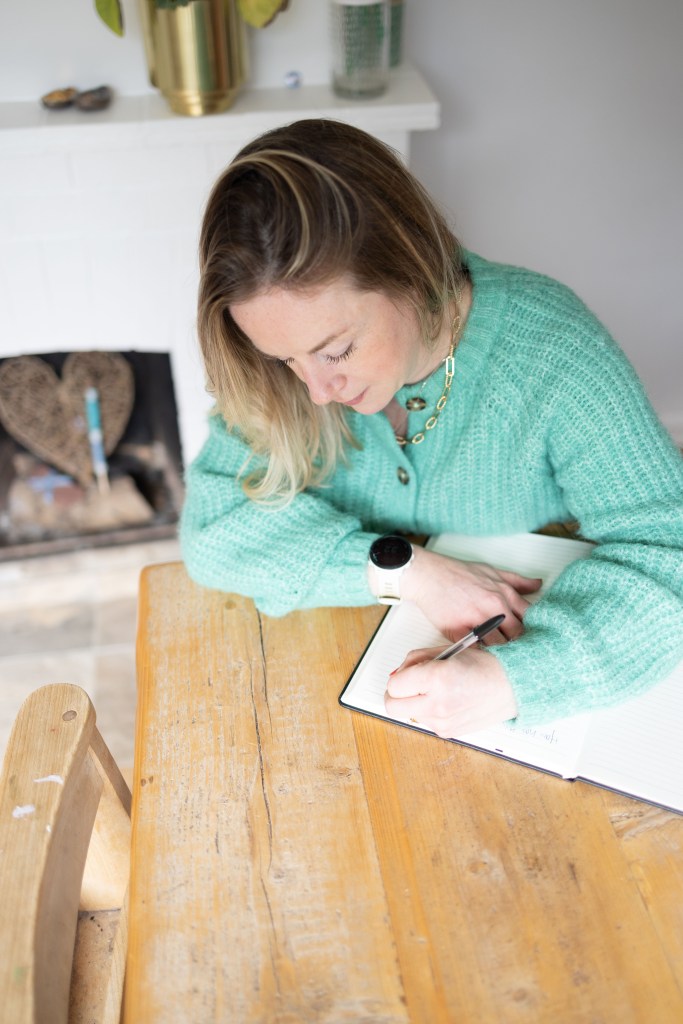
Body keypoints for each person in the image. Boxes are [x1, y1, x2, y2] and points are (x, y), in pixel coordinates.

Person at [180, 118, 683, 737]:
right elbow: (214, 530)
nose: (315, 391)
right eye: (285, 358)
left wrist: (513, 682)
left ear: (409, 271)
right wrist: (407, 571)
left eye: (336, 350)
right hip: (330, 676)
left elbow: (669, 550)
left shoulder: (553, 349)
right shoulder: (281, 374)